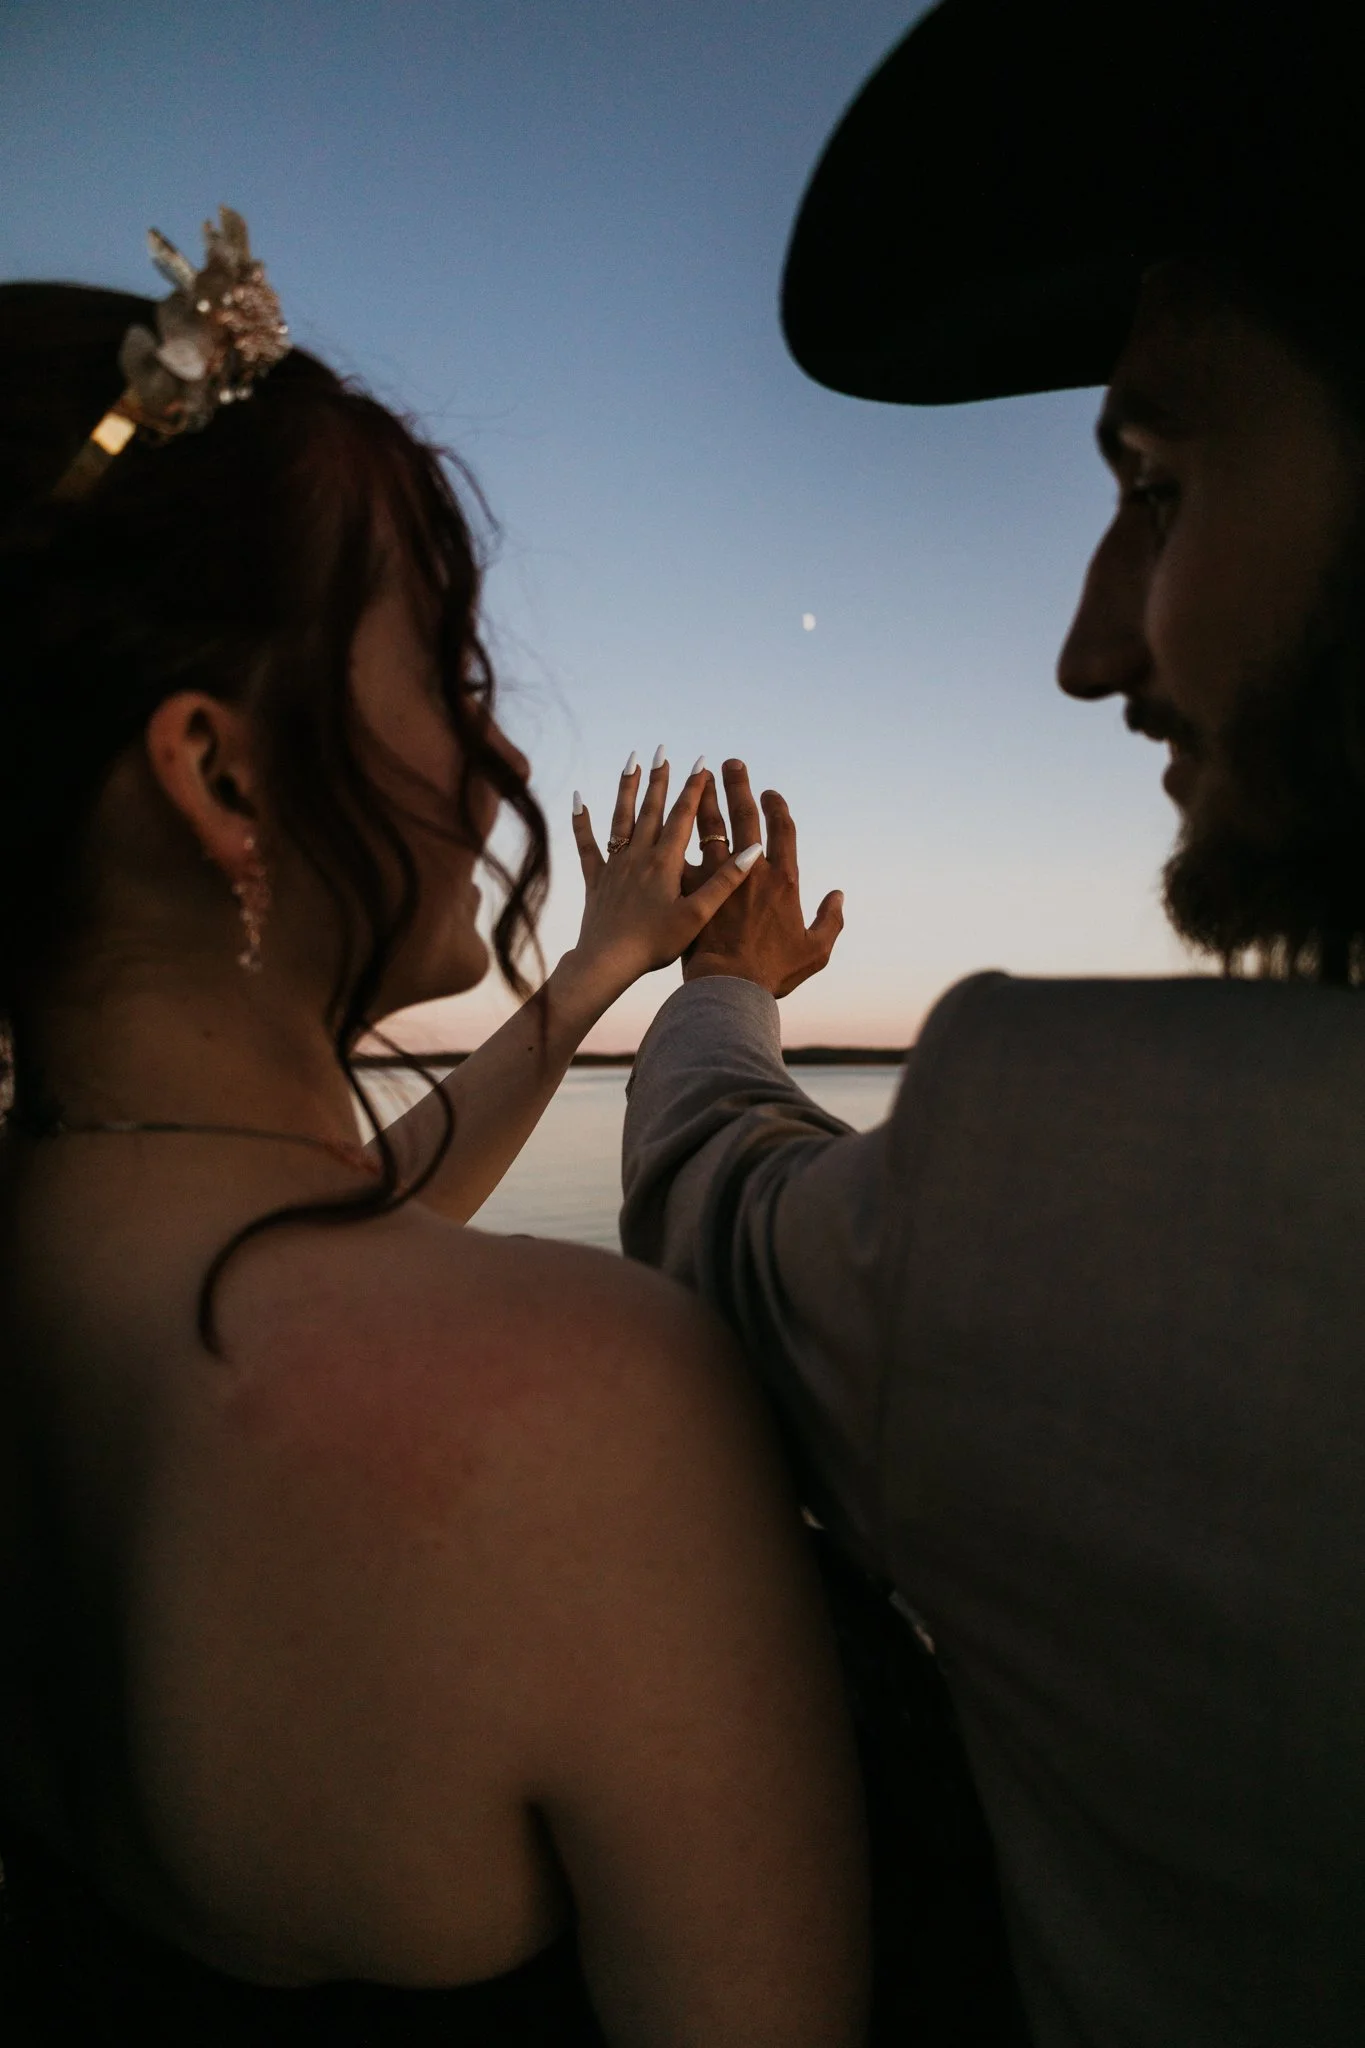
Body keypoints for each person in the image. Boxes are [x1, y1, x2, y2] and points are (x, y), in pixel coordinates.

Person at [0, 214, 869, 2045]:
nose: (506, 760)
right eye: (453, 676)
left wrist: (610, 966)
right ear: (220, 771)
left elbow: (354, 1207)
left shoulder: (68, 1261)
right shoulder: (585, 1406)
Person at [619, 4, 1365, 2045]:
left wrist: (724, 987)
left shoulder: (1102, 1187)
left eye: (1158, 482)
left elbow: (717, 1199)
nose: (1087, 649)